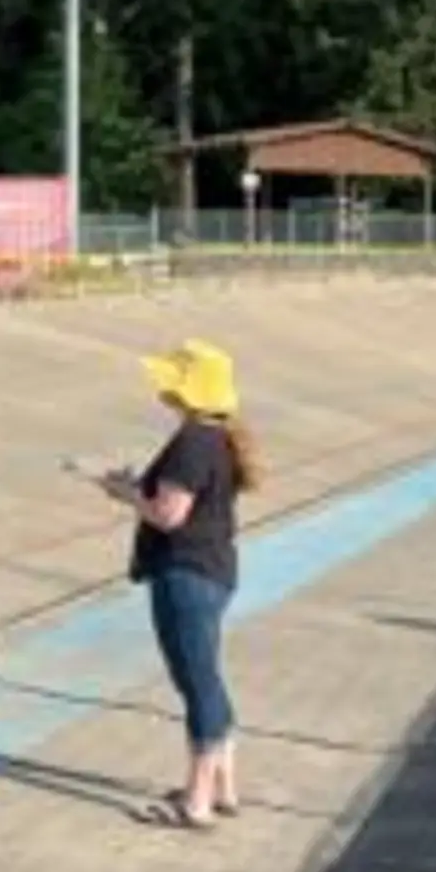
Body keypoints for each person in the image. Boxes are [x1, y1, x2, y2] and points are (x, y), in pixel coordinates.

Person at [97, 338, 258, 830]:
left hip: (185, 573)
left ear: (189, 389)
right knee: (206, 676)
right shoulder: (217, 437)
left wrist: (124, 493)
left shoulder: (193, 441)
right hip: (213, 570)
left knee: (196, 682)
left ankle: (198, 802)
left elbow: (169, 515)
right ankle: (223, 789)